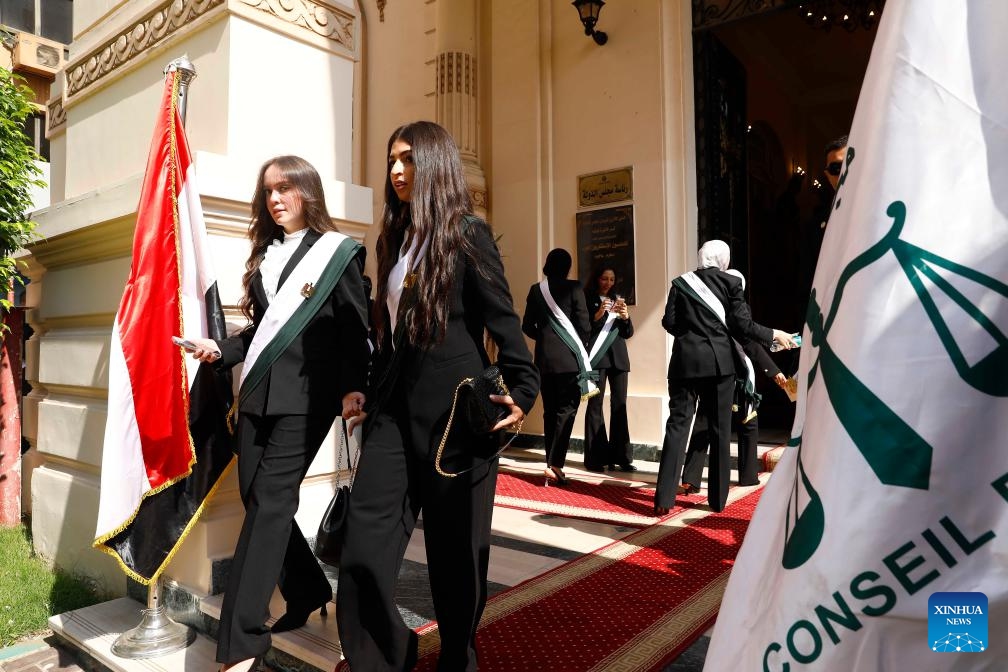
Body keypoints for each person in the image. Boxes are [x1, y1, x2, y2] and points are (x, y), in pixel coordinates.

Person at [336, 121, 539, 672]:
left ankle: (457, 657)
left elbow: (503, 317)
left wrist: (523, 388)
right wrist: (368, 392)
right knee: (364, 544)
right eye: (391, 160)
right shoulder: (394, 239)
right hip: (394, 413)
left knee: (457, 559)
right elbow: (394, 332)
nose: (396, 170)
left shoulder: (467, 233)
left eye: (408, 159)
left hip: (459, 420)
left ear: (435, 163)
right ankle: (384, 658)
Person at [186, 156, 370, 672]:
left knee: (270, 503)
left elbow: (357, 328)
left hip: (307, 400)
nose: (275, 198)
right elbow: (260, 331)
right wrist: (219, 349)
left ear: (307, 192)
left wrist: (356, 387)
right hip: (259, 395)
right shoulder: (266, 255)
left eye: (285, 188)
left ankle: (241, 642)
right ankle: (308, 586)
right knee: (255, 495)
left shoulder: (336, 254)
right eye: (268, 190)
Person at [655, 240, 795, 515]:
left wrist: (692, 335)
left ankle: (663, 500)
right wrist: (772, 334)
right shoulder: (731, 283)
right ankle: (716, 500)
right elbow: (742, 325)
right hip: (719, 365)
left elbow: (669, 323)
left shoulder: (680, 283)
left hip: (684, 363)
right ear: (723, 259)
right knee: (719, 429)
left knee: (677, 427)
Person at [679, 269, 789, 492]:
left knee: (705, 421)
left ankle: (691, 477)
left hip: (717, 370)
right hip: (731, 372)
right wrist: (773, 369)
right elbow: (749, 343)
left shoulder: (709, 306)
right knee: (746, 422)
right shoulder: (736, 310)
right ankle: (747, 476)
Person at [521, 248, 592, 486]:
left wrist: (544, 337)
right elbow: (584, 326)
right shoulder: (575, 288)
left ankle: (550, 462)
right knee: (566, 411)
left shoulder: (535, 289)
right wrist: (577, 346)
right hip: (569, 362)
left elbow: (527, 326)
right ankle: (556, 465)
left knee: (550, 412)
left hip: (543, 361)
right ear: (567, 266)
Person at [581, 266, 636, 473]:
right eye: (605, 278)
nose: (608, 283)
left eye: (612, 279)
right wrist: (598, 314)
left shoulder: (618, 300)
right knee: (595, 405)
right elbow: (585, 328)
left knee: (619, 405)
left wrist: (625, 317)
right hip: (598, 358)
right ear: (597, 279)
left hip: (619, 359)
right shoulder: (587, 298)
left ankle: (621, 456)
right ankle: (596, 457)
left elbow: (627, 333)